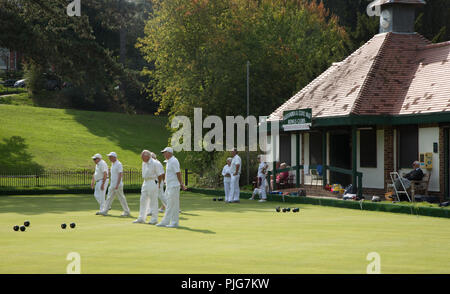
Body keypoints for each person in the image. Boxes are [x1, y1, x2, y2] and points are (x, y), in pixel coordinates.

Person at [156, 147, 186, 228]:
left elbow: (178, 173)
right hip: (169, 186)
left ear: (169, 153)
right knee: (169, 204)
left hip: (174, 186)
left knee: (174, 205)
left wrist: (182, 184)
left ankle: (174, 222)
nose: (163, 154)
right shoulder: (168, 161)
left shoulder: (174, 161)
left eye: (165, 152)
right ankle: (166, 221)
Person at [133, 150, 164, 224]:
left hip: (153, 181)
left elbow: (160, 175)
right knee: (143, 200)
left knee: (153, 201)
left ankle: (154, 219)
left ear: (148, 156)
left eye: (143, 156)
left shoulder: (155, 163)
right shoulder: (144, 163)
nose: (141, 158)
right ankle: (141, 218)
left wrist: (159, 184)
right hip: (145, 182)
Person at [98, 152, 130, 217]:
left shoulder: (119, 164)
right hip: (112, 184)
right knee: (109, 198)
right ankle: (105, 211)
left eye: (110, 157)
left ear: (114, 157)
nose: (109, 158)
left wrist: (117, 185)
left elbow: (120, 174)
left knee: (121, 198)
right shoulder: (113, 164)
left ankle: (126, 211)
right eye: (109, 157)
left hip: (118, 185)